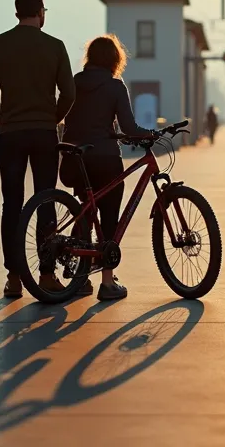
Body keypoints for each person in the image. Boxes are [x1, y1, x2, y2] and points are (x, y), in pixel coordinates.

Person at [0, 0, 76, 299]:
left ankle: (14, 278)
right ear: (41, 13)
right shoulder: (55, 46)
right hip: (43, 133)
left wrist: (2, 116)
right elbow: (69, 93)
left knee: (12, 204)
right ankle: (46, 274)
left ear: (16, 13)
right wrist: (53, 118)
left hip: (11, 134)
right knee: (45, 200)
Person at [60, 35, 150, 302]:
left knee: (86, 211)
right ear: (115, 59)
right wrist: (149, 134)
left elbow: (64, 118)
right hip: (105, 158)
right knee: (109, 215)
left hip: (75, 158)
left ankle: (80, 278)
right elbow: (129, 127)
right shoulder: (115, 86)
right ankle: (108, 282)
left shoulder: (74, 82)